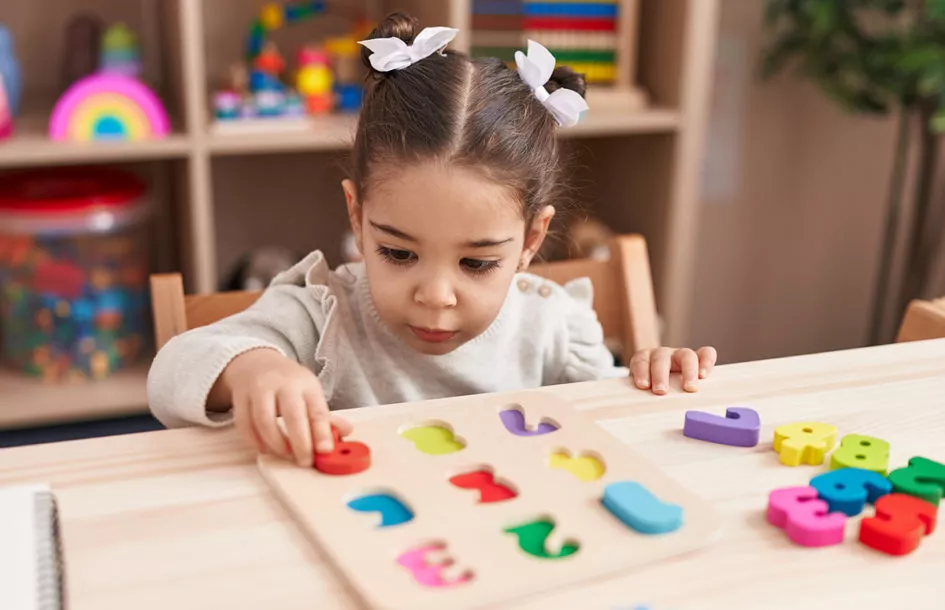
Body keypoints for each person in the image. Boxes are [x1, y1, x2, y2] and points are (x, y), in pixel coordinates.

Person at [147, 13, 717, 466]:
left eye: (477, 263)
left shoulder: (553, 327)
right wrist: (256, 370)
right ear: (356, 212)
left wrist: (650, 377)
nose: (436, 295)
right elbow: (171, 372)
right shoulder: (321, 317)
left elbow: (612, 430)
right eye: (398, 252)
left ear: (530, 239)